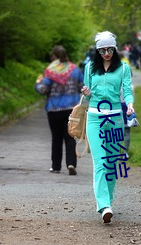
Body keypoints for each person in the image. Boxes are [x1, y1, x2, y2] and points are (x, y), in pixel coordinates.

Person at [81, 31, 134, 223]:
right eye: (102, 50)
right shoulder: (89, 68)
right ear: (97, 50)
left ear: (115, 48)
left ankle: (108, 201)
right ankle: (103, 205)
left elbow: (127, 90)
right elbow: (87, 97)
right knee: (100, 162)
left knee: (112, 164)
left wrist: (129, 104)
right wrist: (86, 92)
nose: (106, 53)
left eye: (110, 49)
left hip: (115, 119)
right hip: (95, 118)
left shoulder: (123, 68)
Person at [35, 45, 84, 175]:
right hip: (71, 109)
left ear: (54, 57)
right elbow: (82, 87)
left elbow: (43, 90)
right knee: (70, 137)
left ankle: (56, 166)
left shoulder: (50, 71)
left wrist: (38, 83)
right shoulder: (75, 70)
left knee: (56, 138)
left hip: (54, 109)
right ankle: (71, 163)